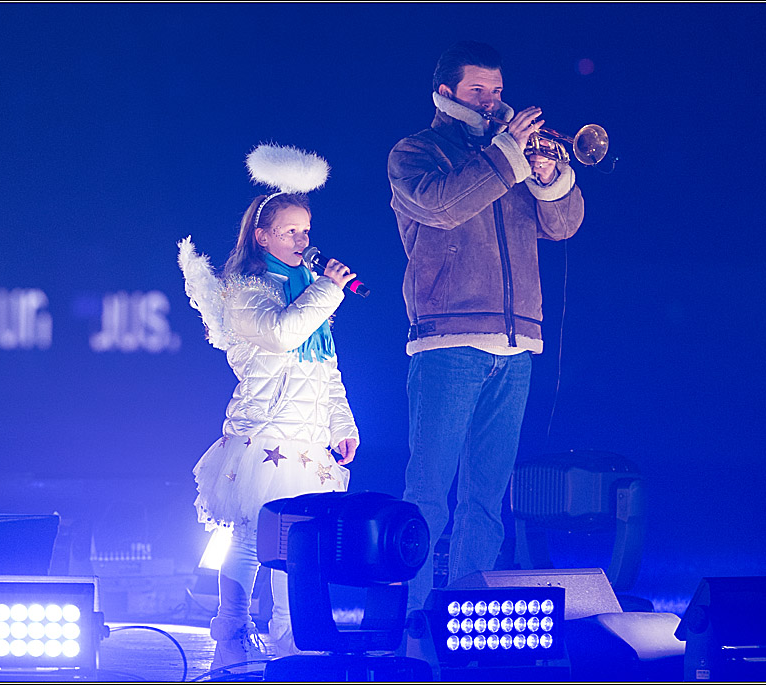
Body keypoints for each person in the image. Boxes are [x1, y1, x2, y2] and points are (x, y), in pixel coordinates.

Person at [386, 40, 585, 613]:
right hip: (448, 338)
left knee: (487, 499)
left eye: (498, 90)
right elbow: (443, 207)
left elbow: (565, 226)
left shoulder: (511, 156)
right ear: (446, 92)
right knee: (427, 497)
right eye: (479, 90)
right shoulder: (416, 151)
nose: (494, 100)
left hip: (517, 340)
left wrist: (550, 176)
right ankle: (415, 619)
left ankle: (468, 617)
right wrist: (509, 158)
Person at [178, 144, 360, 671]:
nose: (303, 241)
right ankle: (231, 633)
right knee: (253, 541)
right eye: (290, 231)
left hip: (307, 441)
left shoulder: (311, 291)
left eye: (307, 230)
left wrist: (341, 423)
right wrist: (328, 289)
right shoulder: (247, 289)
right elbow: (283, 334)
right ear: (261, 235)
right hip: (265, 436)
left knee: (299, 543)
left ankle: (291, 635)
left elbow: (326, 368)